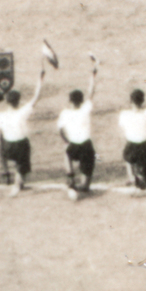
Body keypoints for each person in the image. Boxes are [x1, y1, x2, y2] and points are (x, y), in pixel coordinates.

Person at [0, 66, 46, 195]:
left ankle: (5, 170)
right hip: (21, 146)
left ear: (7, 102)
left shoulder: (0, 116)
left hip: (7, 147)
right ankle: (18, 181)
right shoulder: (23, 112)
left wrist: (3, 147)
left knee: (1, 147)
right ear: (18, 101)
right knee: (22, 161)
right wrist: (40, 79)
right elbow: (36, 97)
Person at [57, 58, 100, 200]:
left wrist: (66, 142)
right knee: (86, 186)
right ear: (81, 100)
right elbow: (91, 92)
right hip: (86, 146)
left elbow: (61, 131)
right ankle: (84, 184)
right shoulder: (86, 109)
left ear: (70, 101)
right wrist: (93, 75)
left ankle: (70, 178)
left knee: (67, 153)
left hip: (74, 146)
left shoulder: (65, 113)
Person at [117, 76, 146, 192]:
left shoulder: (124, 115)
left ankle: (131, 176)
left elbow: (122, 129)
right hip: (143, 147)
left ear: (131, 101)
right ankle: (141, 176)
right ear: (143, 101)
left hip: (130, 147)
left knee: (127, 157)